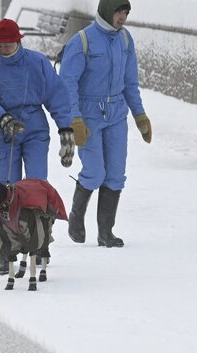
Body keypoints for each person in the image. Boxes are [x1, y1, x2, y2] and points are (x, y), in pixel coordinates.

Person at [0, 18, 75, 274]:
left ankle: (40, 246)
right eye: (0, 44)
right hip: (6, 132)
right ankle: (5, 251)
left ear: (18, 41)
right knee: (6, 190)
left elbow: (56, 94)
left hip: (34, 128)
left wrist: (65, 128)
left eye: (8, 43)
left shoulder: (37, 62)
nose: (4, 47)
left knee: (37, 188)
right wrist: (2, 118)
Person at [58, 0, 151, 248]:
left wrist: (140, 115)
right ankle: (76, 217)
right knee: (95, 171)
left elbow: (131, 82)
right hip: (88, 115)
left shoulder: (125, 40)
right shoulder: (83, 41)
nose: (123, 17)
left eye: (126, 13)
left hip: (116, 114)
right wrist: (75, 119)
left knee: (116, 174)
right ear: (107, 11)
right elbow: (67, 83)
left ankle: (106, 233)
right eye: (119, 12)